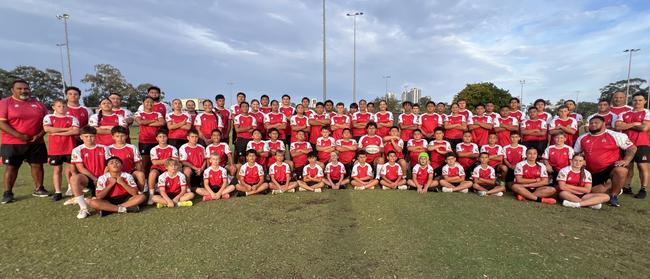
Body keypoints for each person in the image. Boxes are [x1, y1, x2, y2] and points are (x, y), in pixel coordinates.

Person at [0, 80, 50, 203]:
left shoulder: (38, 104)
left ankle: (39, 189)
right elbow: (1, 122)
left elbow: (47, 122)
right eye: (20, 88)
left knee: (37, 165)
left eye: (26, 88)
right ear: (13, 90)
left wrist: (39, 135)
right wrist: (18, 135)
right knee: (12, 167)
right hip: (12, 142)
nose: (23, 91)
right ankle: (8, 193)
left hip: (36, 142)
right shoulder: (5, 102)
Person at [576, 116, 632, 206]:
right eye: (591, 123)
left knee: (621, 170)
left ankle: (614, 196)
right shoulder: (582, 138)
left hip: (609, 168)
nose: (593, 125)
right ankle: (611, 187)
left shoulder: (616, 135)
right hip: (591, 171)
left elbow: (632, 148)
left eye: (596, 123)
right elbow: (576, 153)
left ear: (604, 124)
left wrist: (626, 160)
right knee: (590, 192)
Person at [68, 126, 111, 218]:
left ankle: (87, 199)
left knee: (100, 201)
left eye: (91, 136)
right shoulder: (77, 150)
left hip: (103, 177)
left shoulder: (104, 148)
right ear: (81, 137)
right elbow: (80, 168)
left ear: (96, 136)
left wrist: (101, 178)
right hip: (88, 178)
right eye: (86, 136)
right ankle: (83, 208)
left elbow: (108, 165)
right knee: (74, 178)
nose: (89, 139)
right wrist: (94, 179)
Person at [43, 99, 80, 201]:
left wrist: (57, 132)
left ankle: (74, 188)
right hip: (55, 149)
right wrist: (67, 129)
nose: (62, 108)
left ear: (67, 107)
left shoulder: (72, 118)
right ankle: (58, 192)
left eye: (64, 106)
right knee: (57, 170)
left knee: (73, 170)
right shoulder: (49, 117)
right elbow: (47, 129)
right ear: (54, 107)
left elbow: (76, 131)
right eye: (59, 106)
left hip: (70, 148)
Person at [615, 92, 650, 199]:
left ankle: (643, 189)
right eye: (635, 100)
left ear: (645, 101)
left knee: (642, 166)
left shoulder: (647, 112)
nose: (637, 102)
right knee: (627, 166)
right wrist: (635, 124)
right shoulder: (624, 113)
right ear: (632, 101)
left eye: (640, 100)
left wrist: (626, 125)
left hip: (642, 143)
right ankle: (627, 187)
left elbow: (644, 128)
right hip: (627, 144)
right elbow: (618, 126)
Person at [147, 129, 180, 205]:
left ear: (167, 137)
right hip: (158, 168)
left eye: (164, 136)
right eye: (160, 137)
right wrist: (169, 159)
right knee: (152, 174)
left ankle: (175, 194)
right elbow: (155, 162)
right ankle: (151, 194)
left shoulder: (172, 148)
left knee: (177, 172)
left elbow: (175, 161)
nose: (162, 138)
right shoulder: (154, 149)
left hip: (170, 168)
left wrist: (162, 161)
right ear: (157, 138)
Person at [108, 126, 146, 191]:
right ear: (113, 137)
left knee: (140, 174)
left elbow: (138, 163)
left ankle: (140, 192)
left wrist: (139, 172)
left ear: (126, 136)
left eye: (122, 136)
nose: (120, 138)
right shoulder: (108, 148)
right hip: (115, 174)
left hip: (130, 173)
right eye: (117, 136)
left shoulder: (132, 147)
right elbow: (107, 165)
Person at [135, 96, 165, 176]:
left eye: (151, 102)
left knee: (157, 163)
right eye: (147, 102)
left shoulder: (157, 113)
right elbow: (140, 122)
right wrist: (153, 121)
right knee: (145, 163)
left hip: (156, 141)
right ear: (143, 103)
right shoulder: (139, 113)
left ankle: (156, 181)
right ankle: (145, 183)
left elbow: (162, 123)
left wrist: (146, 123)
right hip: (144, 141)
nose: (149, 103)